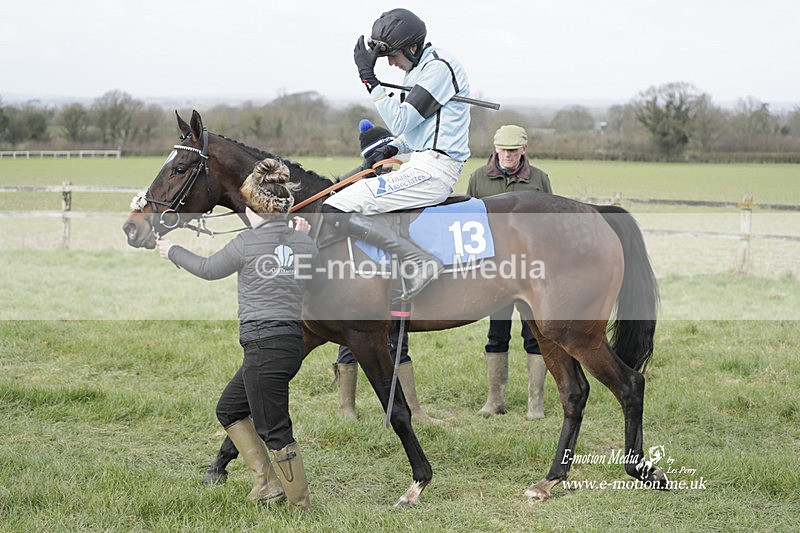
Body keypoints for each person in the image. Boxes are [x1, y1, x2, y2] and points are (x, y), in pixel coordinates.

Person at [156, 158, 318, 512]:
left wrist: (173, 251)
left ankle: (301, 507)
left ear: (253, 208)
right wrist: (300, 239)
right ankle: (266, 484)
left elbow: (208, 269)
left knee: (275, 430)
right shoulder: (305, 244)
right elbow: (305, 276)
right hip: (287, 345)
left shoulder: (247, 243)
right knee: (229, 409)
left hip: (264, 345)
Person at [321, 7, 471, 301]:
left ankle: (421, 261)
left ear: (413, 47)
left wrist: (369, 78)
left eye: (394, 55)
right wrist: (394, 147)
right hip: (423, 162)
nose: (391, 63)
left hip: (434, 171)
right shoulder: (421, 68)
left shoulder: (438, 68)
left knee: (334, 207)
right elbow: (417, 129)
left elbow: (401, 119)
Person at [332, 119, 442, 425]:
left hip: (397, 274)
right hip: (359, 277)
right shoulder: (352, 188)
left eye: (392, 160)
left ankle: (415, 411)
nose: (390, 166)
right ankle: (346, 410)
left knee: (400, 338)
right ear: (371, 159)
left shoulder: (400, 183)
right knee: (350, 341)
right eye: (383, 160)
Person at [466, 125, 552, 420]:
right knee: (496, 335)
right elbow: (469, 224)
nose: (508, 155)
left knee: (535, 335)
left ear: (524, 149)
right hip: (495, 272)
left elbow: (549, 223)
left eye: (514, 150)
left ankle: (535, 403)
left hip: (531, 272)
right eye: (503, 150)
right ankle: (494, 401)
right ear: (495, 148)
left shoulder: (539, 179)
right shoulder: (478, 178)